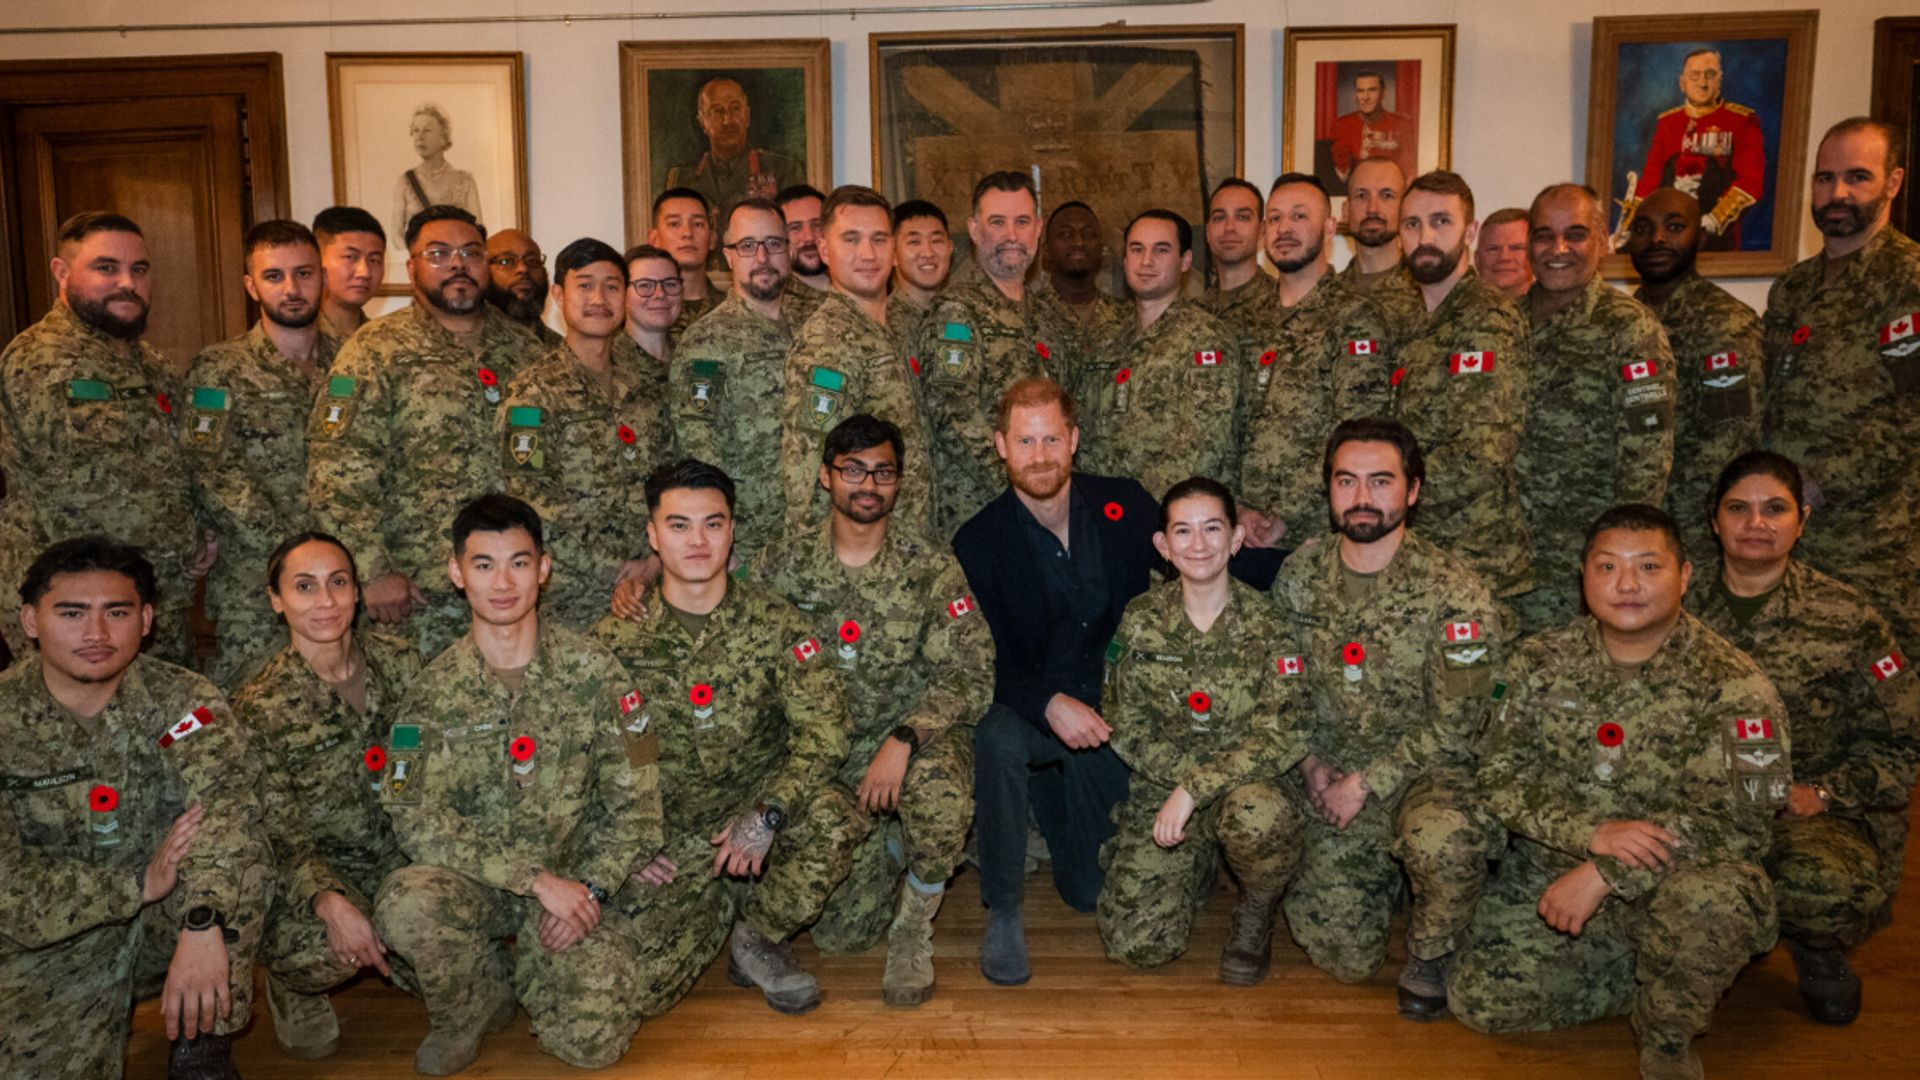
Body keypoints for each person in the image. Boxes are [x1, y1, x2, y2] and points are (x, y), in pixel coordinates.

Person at [1449, 504, 1790, 1080]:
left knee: (1715, 903)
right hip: (1556, 870)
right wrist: (1587, 835)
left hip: (1679, 879)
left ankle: (1668, 1035)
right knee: (1483, 1002)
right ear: (1583, 578)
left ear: (1684, 576)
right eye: (1607, 567)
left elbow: (1742, 821)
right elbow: (1498, 772)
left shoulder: (1737, 685)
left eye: (1648, 567)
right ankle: (1640, 967)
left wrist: (1607, 873)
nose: (1626, 584)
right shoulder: (1539, 662)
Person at [373, 494, 659, 1074]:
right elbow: (413, 817)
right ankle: (470, 1007)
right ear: (457, 573)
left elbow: (640, 807)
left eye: (519, 562)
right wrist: (533, 881)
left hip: (574, 881)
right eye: (483, 565)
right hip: (480, 883)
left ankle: (534, 970)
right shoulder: (428, 693)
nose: (502, 582)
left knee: (592, 1044)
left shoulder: (601, 674)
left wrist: (593, 888)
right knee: (405, 903)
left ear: (544, 568)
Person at [592, 460, 859, 1017]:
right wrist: (630, 842)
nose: (697, 541)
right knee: (626, 1001)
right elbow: (590, 752)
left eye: (713, 524)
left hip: (756, 811)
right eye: (679, 525)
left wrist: (768, 813)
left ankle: (758, 934)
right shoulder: (614, 637)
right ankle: (717, 906)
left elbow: (827, 728)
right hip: (670, 836)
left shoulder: (775, 622)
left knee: (837, 818)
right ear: (653, 535)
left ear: (732, 530)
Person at [0, 537, 268, 1079]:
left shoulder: (184, 704)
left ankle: (201, 1045)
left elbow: (224, 807)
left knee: (243, 864)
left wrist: (201, 920)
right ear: (30, 621)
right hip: (49, 937)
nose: (96, 634)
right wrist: (133, 887)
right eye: (72, 613)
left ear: (146, 620)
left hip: (165, 918)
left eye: (116, 612)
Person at [754, 415, 993, 1006]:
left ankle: (913, 930)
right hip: (824, 753)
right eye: (853, 470)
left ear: (900, 482)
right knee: (842, 936)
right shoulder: (781, 565)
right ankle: (888, 851)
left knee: (942, 797)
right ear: (824, 475)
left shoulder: (931, 566)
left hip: (906, 744)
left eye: (883, 472)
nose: (868, 484)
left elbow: (973, 669)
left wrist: (907, 736)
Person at [1270, 418, 1502, 1021]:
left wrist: (1365, 782)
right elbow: (1280, 680)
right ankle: (1388, 873)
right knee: (1345, 956)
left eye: (1381, 481)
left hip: (1423, 774)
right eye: (1346, 481)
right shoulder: (1300, 576)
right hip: (1328, 773)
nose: (1363, 497)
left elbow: (1462, 720)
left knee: (1441, 838)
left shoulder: (1455, 589)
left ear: (1414, 491)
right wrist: (1309, 761)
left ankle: (1432, 948)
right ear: (1329, 491)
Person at [1687, 452, 1920, 1025]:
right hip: (1695, 807)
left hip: (1802, 813)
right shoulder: (1672, 604)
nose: (1756, 523)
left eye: (1775, 509)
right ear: (1714, 521)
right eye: (1738, 508)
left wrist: (1825, 793)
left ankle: (1818, 949)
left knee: (1824, 886)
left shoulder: (1848, 617)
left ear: (1804, 520)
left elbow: (1903, 741)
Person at [952, 378, 1159, 986]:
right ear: (1000, 446)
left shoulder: (1127, 504)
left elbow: (1200, 554)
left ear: (1073, 439)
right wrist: (1046, 701)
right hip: (1036, 703)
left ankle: (1050, 801)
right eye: (1024, 440)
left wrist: (1298, 556)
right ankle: (1005, 908)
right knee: (997, 739)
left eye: (1050, 438)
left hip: (1117, 710)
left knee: (1090, 892)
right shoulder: (977, 541)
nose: (1039, 454)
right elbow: (981, 657)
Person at [307, 204, 543, 658]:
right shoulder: (374, 351)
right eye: (438, 254)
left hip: (511, 588)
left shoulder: (524, 349)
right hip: (417, 597)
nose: (457, 265)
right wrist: (372, 570)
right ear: (412, 268)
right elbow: (337, 470)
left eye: (470, 253)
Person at [1097, 476, 1307, 983]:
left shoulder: (1271, 625)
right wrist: (1180, 784)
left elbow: (1285, 732)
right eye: (1183, 531)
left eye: (1213, 529)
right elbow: (1121, 718)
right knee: (1136, 946)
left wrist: (1195, 788)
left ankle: (1256, 909)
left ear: (1236, 539)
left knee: (1257, 819)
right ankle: (1198, 866)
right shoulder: (1141, 619)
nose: (1199, 544)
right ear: (1163, 546)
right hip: (1162, 789)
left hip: (1246, 788)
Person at [233, 532, 422, 1060]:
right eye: (304, 586)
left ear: (358, 592)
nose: (325, 601)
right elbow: (278, 830)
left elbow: (439, 772)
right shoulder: (256, 707)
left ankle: (406, 944)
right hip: (319, 875)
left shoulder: (405, 665)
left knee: (471, 981)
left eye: (338, 583)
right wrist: (328, 900)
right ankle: (293, 984)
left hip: (401, 861)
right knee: (317, 948)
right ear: (276, 600)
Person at [0, 211, 211, 667]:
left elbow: (182, 463)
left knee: (171, 729)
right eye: (106, 267)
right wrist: (186, 543)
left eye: (139, 269)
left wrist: (202, 531)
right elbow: (87, 487)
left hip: (153, 597)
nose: (127, 283)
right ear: (61, 272)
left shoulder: (152, 364)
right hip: (72, 606)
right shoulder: (39, 359)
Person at [1762, 117, 1920, 649]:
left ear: (1893, 182)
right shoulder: (1793, 288)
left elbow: (1912, 418)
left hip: (1878, 542)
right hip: (1788, 538)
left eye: (1858, 177)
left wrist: (1821, 481)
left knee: (1885, 698)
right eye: (1825, 178)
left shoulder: (1909, 280)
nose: (1838, 193)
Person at [182, 219, 339, 689]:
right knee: (254, 707)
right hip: (257, 583)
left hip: (340, 582)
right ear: (252, 286)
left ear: (322, 279)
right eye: (274, 276)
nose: (291, 289)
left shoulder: (353, 363)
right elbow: (209, 468)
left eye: (304, 274)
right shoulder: (218, 369)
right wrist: (296, 550)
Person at [1513, 183, 1676, 632]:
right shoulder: (1503, 322)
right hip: (1507, 556)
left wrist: (1624, 560)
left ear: (1602, 243)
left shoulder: (1629, 327)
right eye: (1544, 235)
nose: (1558, 248)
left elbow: (1647, 454)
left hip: (1582, 558)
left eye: (1576, 234)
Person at [498, 238, 672, 631]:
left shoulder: (644, 384)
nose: (599, 298)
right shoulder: (533, 393)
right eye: (585, 285)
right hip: (572, 601)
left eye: (612, 286)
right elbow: (532, 497)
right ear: (558, 294)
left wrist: (654, 562)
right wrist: (618, 571)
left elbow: (672, 479)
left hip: (653, 584)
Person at [1388, 170, 1534, 605]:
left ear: (1470, 231)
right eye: (1412, 224)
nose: (1425, 235)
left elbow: (1481, 453)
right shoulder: (1412, 319)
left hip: (1473, 558)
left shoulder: (1486, 318)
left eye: (1441, 222)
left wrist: (1388, 495)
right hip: (1417, 553)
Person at [918, 171, 1082, 537]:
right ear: (975, 231)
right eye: (998, 222)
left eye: (1022, 222)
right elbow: (953, 415)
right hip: (981, 513)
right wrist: (1022, 490)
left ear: (1038, 229)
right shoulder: (957, 313)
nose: (1012, 235)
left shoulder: (1051, 317)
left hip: (1051, 510)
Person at [1238, 174, 1395, 551]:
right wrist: (1236, 506)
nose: (1284, 228)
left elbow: (1355, 432)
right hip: (1241, 532)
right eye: (1274, 219)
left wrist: (1286, 514)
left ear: (1329, 229)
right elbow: (1226, 424)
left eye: (1298, 216)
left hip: (1315, 533)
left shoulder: (1354, 318)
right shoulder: (1247, 319)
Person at [779, 184, 936, 535]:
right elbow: (808, 470)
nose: (867, 253)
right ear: (824, 249)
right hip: (862, 558)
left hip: (908, 543)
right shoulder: (827, 341)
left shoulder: (897, 327)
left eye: (879, 239)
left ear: (894, 250)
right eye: (851, 239)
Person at [1627, 186, 1765, 571]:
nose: (1657, 238)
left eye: (1674, 226)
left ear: (1699, 237)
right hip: (1628, 519)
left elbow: (1730, 438)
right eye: (1643, 228)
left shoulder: (1725, 322)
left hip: (1692, 530)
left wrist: (1672, 518)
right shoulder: (1622, 320)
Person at [1076, 209, 1243, 501]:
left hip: (1169, 515)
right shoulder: (1104, 339)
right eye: (1137, 249)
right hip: (1100, 511)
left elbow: (1202, 449)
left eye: (1161, 250)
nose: (1147, 261)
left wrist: (1141, 508)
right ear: (1125, 259)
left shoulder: (1206, 339)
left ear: (1185, 261)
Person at [666, 198, 797, 566]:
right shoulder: (708, 342)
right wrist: (725, 546)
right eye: (747, 246)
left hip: (812, 538)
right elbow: (698, 447)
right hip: (749, 546)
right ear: (728, 256)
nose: (762, 257)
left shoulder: (810, 331)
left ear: (788, 251)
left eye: (773, 244)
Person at [1615, 49, 1766, 252]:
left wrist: (1715, 219)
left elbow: (1750, 182)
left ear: (1719, 80)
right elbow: (1650, 181)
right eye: (1694, 76)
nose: (1702, 83)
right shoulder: (1667, 122)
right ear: (1682, 83)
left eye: (1710, 75)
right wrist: (1631, 225)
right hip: (1666, 235)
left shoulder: (1741, 120)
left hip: (1716, 235)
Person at [663, 76, 803, 229]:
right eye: (717, 111)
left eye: (735, 109)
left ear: (747, 116)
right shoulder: (682, 179)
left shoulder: (784, 169)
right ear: (702, 122)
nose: (727, 121)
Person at [1337, 157, 1425, 337]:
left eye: (1386, 196)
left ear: (1405, 209)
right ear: (1346, 211)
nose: (1372, 209)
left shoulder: (1427, 291)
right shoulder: (1327, 295)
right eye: (1362, 195)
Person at [392, 103, 482, 248]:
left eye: (427, 130)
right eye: (415, 130)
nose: (419, 137)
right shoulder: (405, 182)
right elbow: (396, 235)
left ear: (443, 137)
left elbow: (477, 231)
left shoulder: (465, 181)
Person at [1040, 200, 1130, 341]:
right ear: (1046, 251)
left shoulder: (1128, 318)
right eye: (1066, 234)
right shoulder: (1029, 314)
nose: (1079, 242)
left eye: (1089, 234)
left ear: (1101, 250)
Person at [648, 188, 719, 341]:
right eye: (674, 224)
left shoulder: (733, 310)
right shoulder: (643, 311)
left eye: (698, 224)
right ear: (654, 239)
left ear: (712, 239)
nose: (687, 233)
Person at [1202, 178, 1274, 326]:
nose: (1229, 227)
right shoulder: (1194, 314)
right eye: (1219, 218)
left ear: (1261, 229)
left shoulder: (1283, 306)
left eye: (1242, 217)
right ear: (1208, 232)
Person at [1327, 69, 1416, 186]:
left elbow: (1410, 173)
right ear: (1355, 95)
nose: (1365, 97)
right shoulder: (1341, 125)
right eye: (1360, 91)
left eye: (1372, 90)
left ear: (1383, 93)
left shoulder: (1402, 124)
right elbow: (1336, 176)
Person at [312, 205, 387, 341]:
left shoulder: (386, 341)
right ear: (316, 259)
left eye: (374, 260)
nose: (364, 272)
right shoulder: (299, 340)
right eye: (350, 257)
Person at [887, 198, 952, 350]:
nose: (928, 253)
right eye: (914, 242)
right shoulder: (883, 324)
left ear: (950, 248)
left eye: (936, 240)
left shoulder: (962, 317)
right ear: (893, 254)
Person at [484, 228, 557, 345]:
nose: (523, 269)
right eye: (506, 261)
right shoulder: (467, 344)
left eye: (532, 261)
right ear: (482, 270)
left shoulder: (561, 350)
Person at [776, 184, 831, 323]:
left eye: (817, 224)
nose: (809, 237)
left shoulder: (859, 289)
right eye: (795, 228)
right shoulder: (775, 305)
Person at [1472, 207, 1533, 298]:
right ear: (1476, 259)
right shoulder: (1450, 309)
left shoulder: (1557, 308)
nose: (1504, 257)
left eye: (1516, 248)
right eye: (1493, 249)